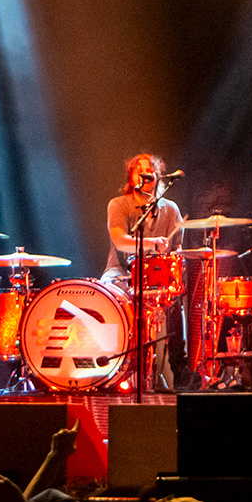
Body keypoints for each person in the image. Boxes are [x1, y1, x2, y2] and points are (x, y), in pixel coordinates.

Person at [101, 153, 193, 391]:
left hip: (157, 279)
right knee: (106, 293)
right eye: (139, 169)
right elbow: (120, 241)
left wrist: (177, 262)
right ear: (131, 178)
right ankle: (113, 369)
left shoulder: (171, 209)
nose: (145, 173)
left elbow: (178, 250)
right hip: (120, 273)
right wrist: (152, 243)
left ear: (158, 175)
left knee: (171, 302)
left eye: (150, 169)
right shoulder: (119, 204)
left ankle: (164, 373)